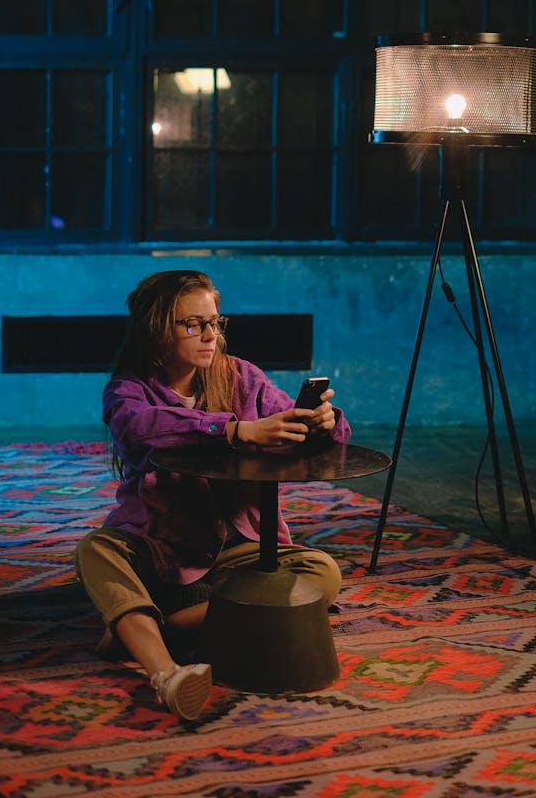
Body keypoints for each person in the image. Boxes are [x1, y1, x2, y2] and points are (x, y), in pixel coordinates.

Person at [74, 270, 351, 721]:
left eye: (215, 322)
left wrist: (324, 421)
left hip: (239, 547)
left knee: (322, 573)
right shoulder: (127, 392)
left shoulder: (242, 376)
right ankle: (166, 673)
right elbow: (143, 430)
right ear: (159, 330)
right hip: (164, 547)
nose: (209, 335)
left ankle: (151, 625)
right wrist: (234, 430)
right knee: (96, 551)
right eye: (194, 324)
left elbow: (298, 422)